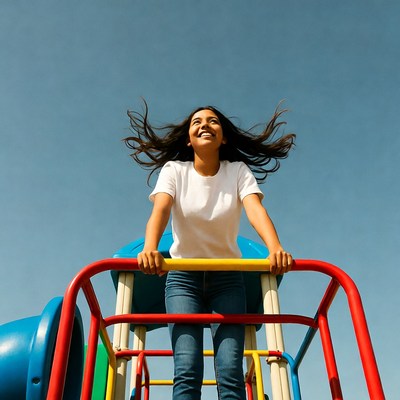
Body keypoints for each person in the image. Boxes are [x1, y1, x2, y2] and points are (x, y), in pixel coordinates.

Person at [123, 101, 295, 400]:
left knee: (229, 370)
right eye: (197, 122)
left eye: (213, 121)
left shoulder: (237, 171)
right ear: (189, 139)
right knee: (187, 369)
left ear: (223, 137)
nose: (205, 124)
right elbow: (161, 210)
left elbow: (255, 210)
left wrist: (275, 247)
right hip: (182, 278)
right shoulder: (175, 170)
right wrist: (150, 248)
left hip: (228, 278)